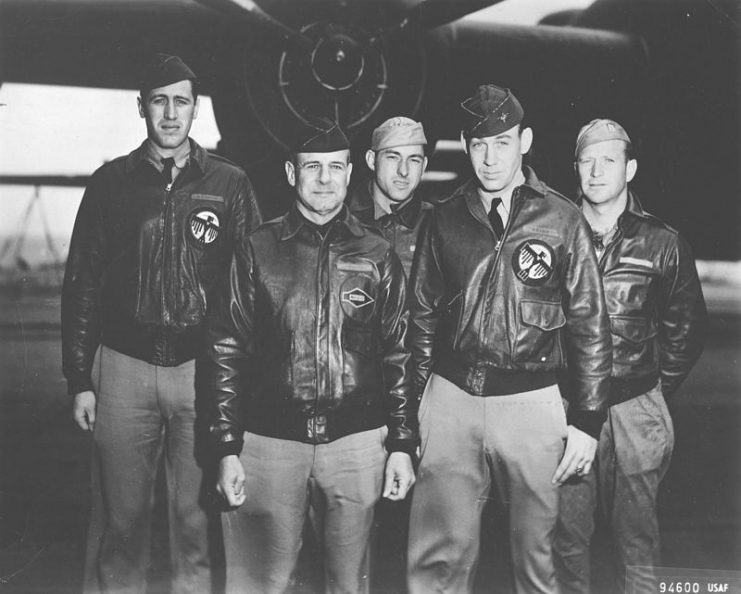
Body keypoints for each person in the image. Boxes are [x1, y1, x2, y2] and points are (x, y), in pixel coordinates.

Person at [61, 53, 261, 593]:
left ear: (197, 110)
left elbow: (250, 289)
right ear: (142, 108)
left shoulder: (231, 184)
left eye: (181, 102)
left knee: (196, 526)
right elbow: (81, 282)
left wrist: (242, 379)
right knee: (122, 525)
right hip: (123, 369)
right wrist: (81, 378)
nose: (170, 114)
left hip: (200, 371)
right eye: (159, 101)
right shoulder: (110, 184)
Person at [405, 84, 612, 594]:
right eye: (478, 145)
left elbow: (590, 323)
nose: (490, 157)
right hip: (451, 401)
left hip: (531, 403)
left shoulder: (562, 218)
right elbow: (422, 319)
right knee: (437, 561)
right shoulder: (444, 217)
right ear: (465, 146)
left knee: (537, 561)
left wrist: (587, 419)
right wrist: (409, 412)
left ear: (525, 141)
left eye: (502, 142)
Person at [206, 118, 418, 594]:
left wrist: (402, 443)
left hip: (357, 446)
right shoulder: (257, 249)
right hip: (267, 444)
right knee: (261, 582)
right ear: (290, 173)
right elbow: (224, 351)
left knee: (350, 584)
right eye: (312, 168)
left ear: (349, 173)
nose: (324, 179)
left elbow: (399, 354)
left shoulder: (378, 254)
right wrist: (224, 446)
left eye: (335, 168)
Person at [554, 119, 707, 594]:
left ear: (631, 168)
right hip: (564, 409)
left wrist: (651, 392)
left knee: (636, 539)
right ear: (575, 168)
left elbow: (687, 328)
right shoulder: (553, 235)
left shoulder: (663, 243)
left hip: (634, 409)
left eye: (610, 160)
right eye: (587, 161)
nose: (597, 172)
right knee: (564, 537)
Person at [347, 116, 430, 278]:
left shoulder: (438, 227)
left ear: (424, 166)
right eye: (393, 157)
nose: (403, 171)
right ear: (372, 160)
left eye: (414, 160)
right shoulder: (343, 222)